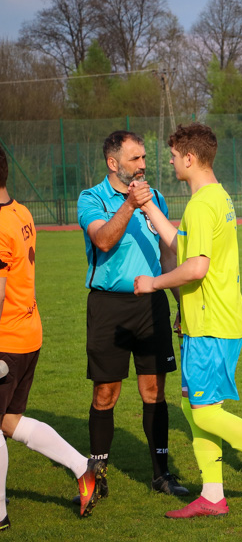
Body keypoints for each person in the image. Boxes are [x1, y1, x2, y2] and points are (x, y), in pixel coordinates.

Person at [134, 123, 242, 518]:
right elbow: (185, 245)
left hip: (212, 322)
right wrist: (149, 209)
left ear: (190, 158)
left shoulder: (200, 204)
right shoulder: (218, 198)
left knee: (205, 411)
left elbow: (194, 267)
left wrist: (153, 284)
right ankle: (213, 495)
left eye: (176, 156)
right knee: (196, 407)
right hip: (210, 319)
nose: (173, 162)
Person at [76, 131, 187, 498]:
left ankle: (161, 473)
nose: (142, 165)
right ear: (113, 163)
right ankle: (98, 473)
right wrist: (129, 205)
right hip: (109, 306)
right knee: (106, 392)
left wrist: (180, 302)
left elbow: (168, 256)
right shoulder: (91, 198)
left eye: (144, 158)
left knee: (154, 390)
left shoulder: (155, 199)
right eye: (135, 159)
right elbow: (103, 240)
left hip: (151, 304)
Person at [0, 145, 106, 525]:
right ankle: (83, 468)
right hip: (29, 331)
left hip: (6, 341)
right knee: (9, 422)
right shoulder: (20, 211)